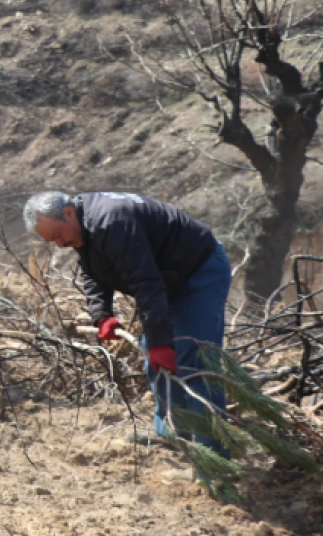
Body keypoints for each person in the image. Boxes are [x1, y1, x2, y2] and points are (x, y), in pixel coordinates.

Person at [22, 191, 230, 454]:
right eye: (52, 240)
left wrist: (160, 343)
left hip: (199, 272)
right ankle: (173, 437)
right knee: (155, 359)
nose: (60, 245)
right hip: (168, 280)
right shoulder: (83, 226)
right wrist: (102, 314)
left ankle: (214, 455)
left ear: (68, 213)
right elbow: (92, 271)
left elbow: (145, 282)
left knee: (194, 360)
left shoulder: (112, 221)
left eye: (57, 235)